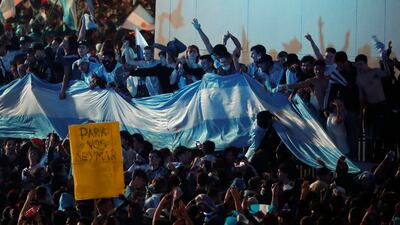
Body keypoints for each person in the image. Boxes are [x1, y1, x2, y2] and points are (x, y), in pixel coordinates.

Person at [356, 53, 390, 161]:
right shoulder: (359, 78)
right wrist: (361, 111)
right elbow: (361, 96)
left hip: (381, 107)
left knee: (379, 135)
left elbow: (387, 74)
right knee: (368, 136)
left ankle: (379, 160)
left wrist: (384, 60)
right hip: (369, 107)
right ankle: (369, 159)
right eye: (357, 65)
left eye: (360, 64)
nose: (359, 67)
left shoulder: (375, 71)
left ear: (366, 63)